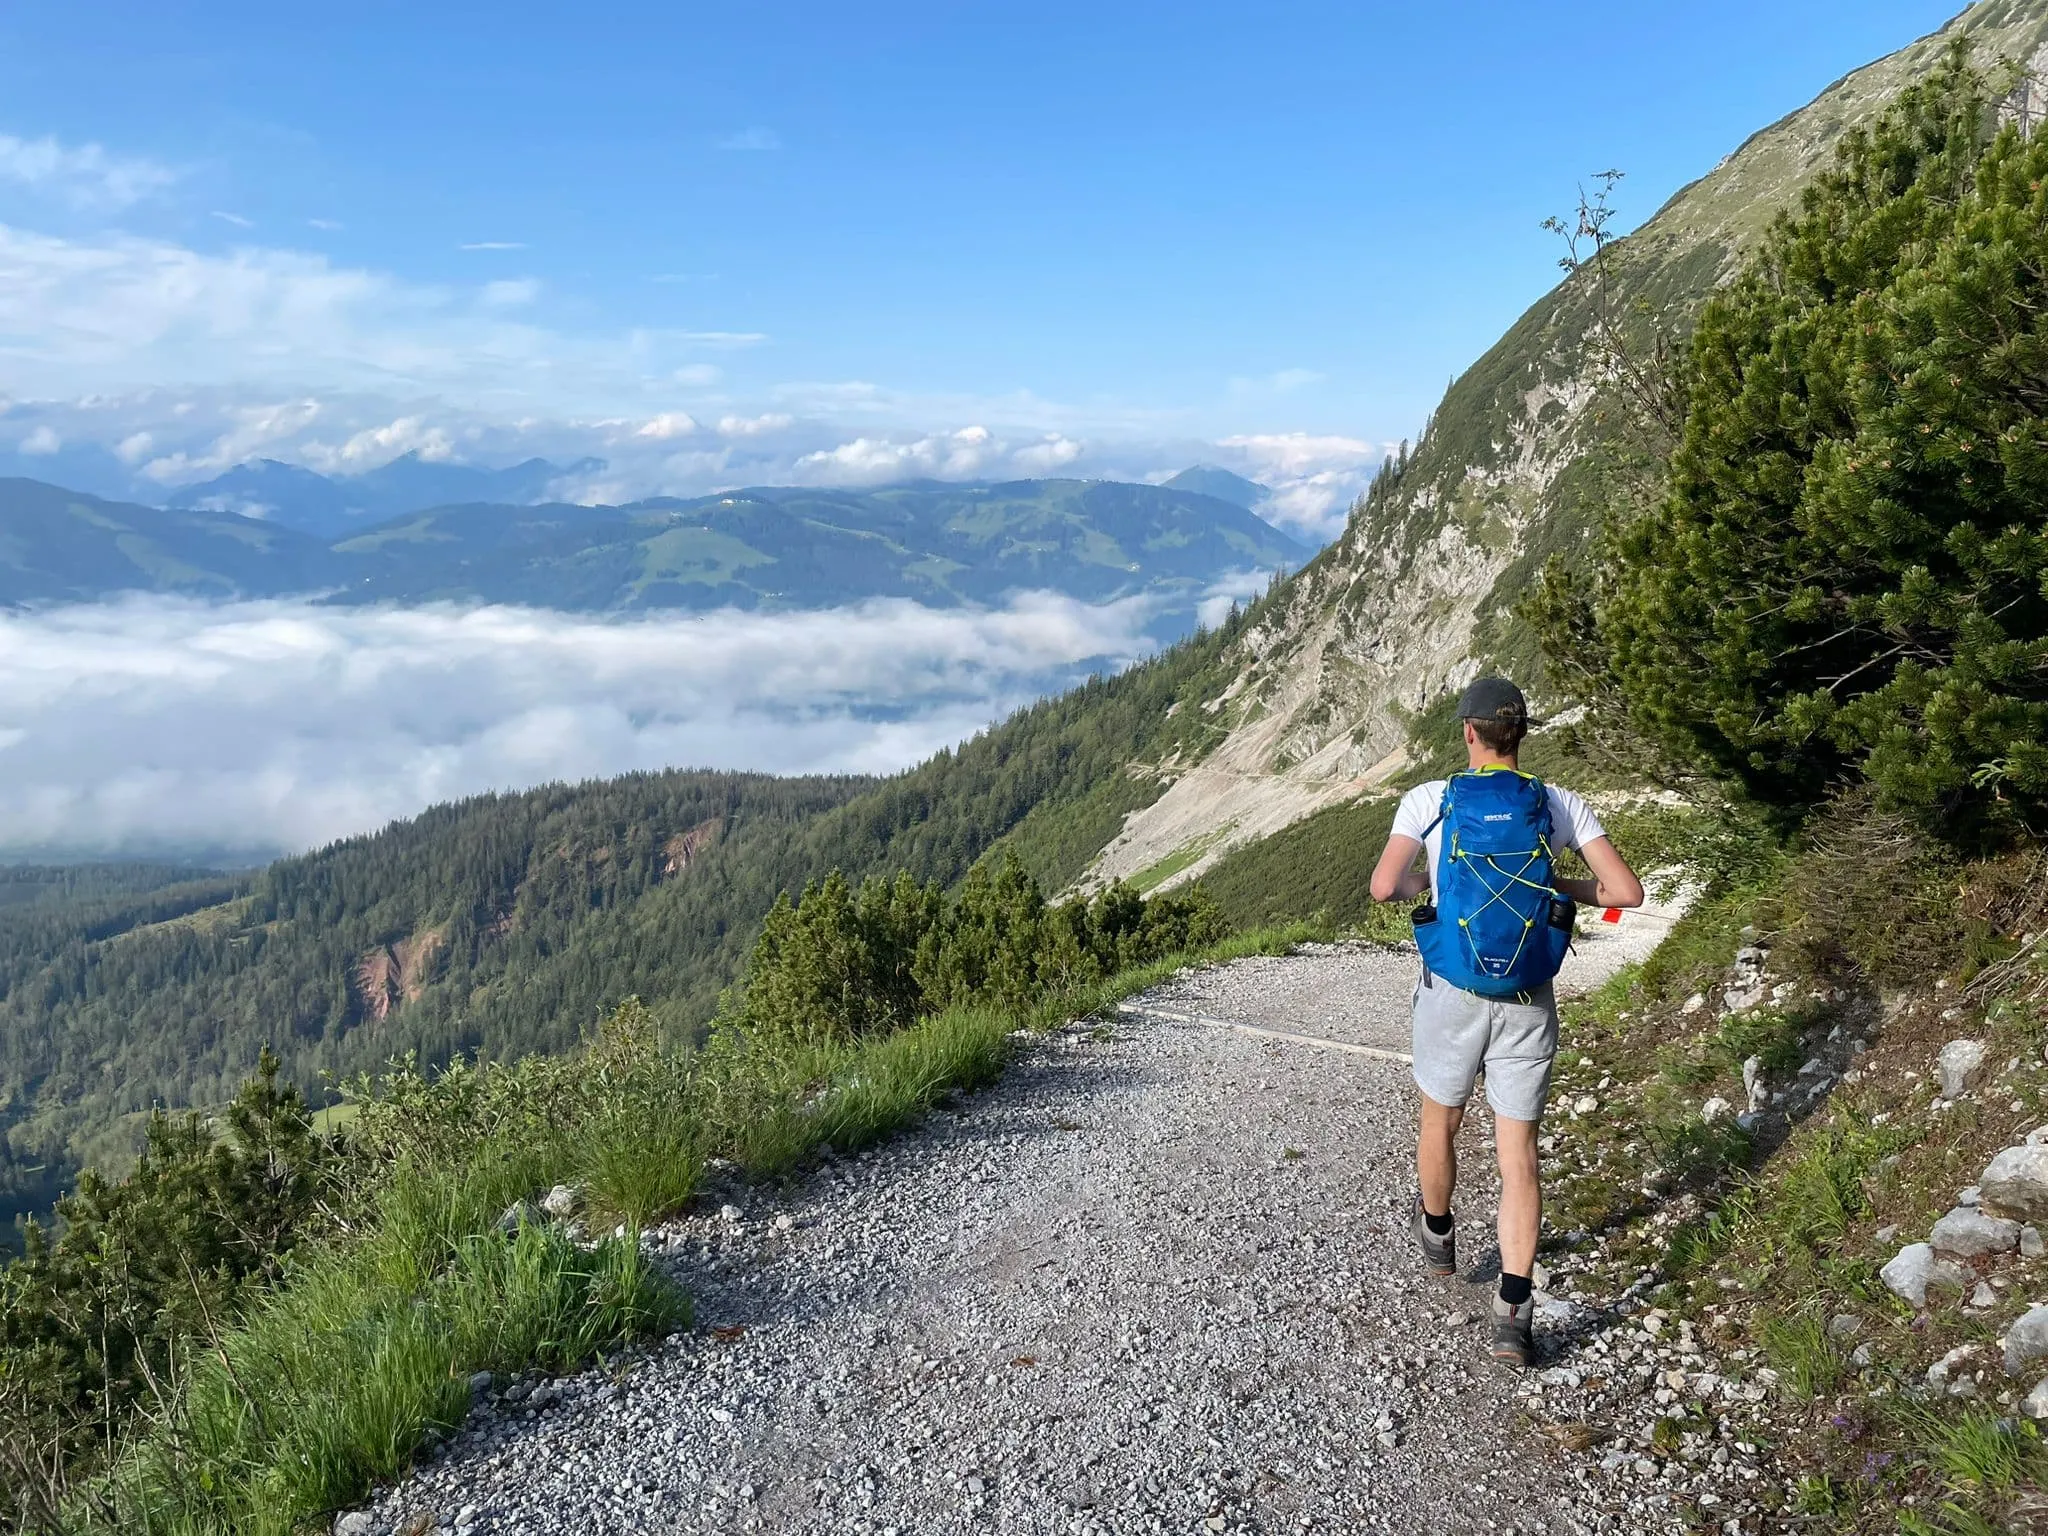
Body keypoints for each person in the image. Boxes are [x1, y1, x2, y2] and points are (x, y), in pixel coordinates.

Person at [1368, 677, 1643, 1367]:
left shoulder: (1429, 800)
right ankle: (1514, 1315)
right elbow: (1625, 893)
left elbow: (1384, 886)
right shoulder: (1556, 804)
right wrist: (1558, 885)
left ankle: (1438, 1236)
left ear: (1468, 733)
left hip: (1451, 990)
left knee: (1441, 1121)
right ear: (1521, 733)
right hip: (1528, 994)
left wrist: (1431, 883)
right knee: (1518, 1155)